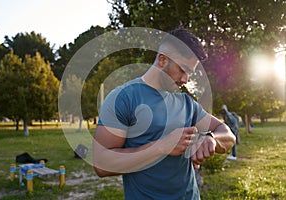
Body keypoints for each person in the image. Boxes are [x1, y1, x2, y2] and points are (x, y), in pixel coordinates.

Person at [93, 28, 236, 199]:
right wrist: (161, 147)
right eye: (182, 70)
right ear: (162, 59)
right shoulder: (123, 98)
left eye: (189, 73)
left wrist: (210, 139)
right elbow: (101, 164)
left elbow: (228, 135)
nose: (185, 80)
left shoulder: (187, 103)